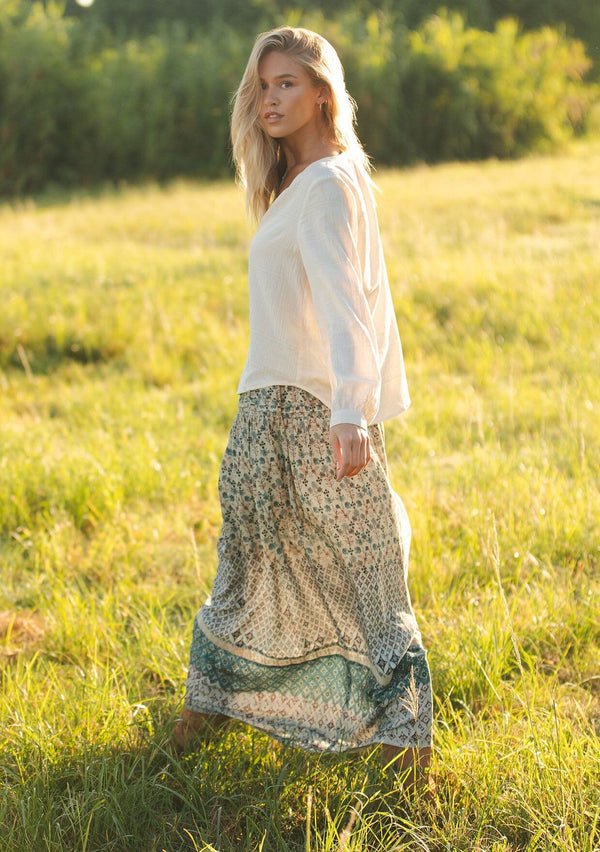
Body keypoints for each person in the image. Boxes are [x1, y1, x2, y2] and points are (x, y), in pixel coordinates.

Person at [174, 25, 433, 793]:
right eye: (261, 87)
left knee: (366, 575)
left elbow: (347, 302)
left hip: (311, 409)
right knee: (247, 564)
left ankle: (406, 747)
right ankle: (207, 714)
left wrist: (350, 411)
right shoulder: (303, 182)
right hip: (268, 407)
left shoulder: (325, 182)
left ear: (324, 91)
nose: (269, 100)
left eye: (286, 83)